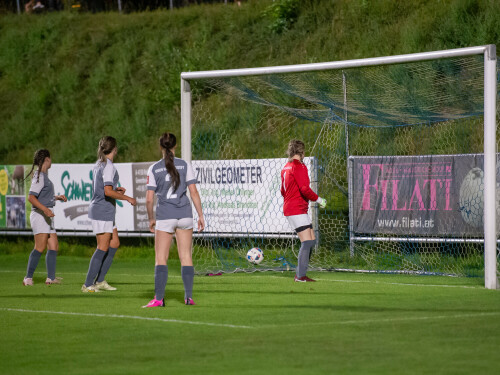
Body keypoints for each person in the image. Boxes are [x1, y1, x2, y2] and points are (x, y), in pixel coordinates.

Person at [143, 132, 205, 308]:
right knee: (186, 256)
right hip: (185, 214)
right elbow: (193, 192)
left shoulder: (154, 168)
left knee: (161, 258)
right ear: (175, 146)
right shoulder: (185, 165)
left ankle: (159, 299)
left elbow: (149, 199)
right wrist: (200, 215)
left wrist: (151, 219)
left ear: (160, 147)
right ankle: (188, 297)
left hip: (165, 215)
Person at [82, 136, 136, 293]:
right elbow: (106, 191)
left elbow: (105, 189)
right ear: (115, 149)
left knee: (114, 243)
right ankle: (87, 284)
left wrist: (116, 191)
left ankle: (99, 281)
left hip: (105, 209)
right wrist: (127, 198)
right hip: (102, 210)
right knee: (102, 247)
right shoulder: (108, 166)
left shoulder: (100, 163)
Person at [281, 139, 327, 282]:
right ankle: (300, 276)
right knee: (307, 242)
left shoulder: (286, 167)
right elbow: (305, 189)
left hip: (291, 208)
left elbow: (283, 190)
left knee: (311, 240)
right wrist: (319, 200)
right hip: (297, 209)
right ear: (302, 152)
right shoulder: (299, 166)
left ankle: (301, 273)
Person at [23, 149, 67, 286]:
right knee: (40, 247)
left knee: (53, 246)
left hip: (46, 215)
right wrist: (45, 210)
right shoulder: (40, 176)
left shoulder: (43, 176)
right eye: (50, 158)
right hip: (40, 215)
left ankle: (51, 278)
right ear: (47, 159)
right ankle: (28, 278)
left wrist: (56, 198)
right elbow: (31, 197)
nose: (51, 161)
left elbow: (43, 196)